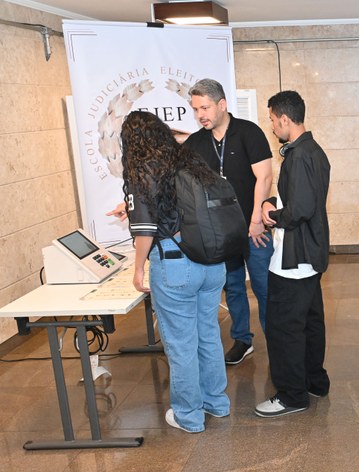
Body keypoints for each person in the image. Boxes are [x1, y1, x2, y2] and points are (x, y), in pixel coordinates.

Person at [121, 110, 229, 433]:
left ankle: (188, 416)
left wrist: (138, 269)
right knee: (207, 334)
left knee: (181, 344)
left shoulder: (142, 170)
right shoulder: (190, 161)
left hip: (175, 267)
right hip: (211, 263)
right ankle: (217, 403)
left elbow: (145, 229)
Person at [184, 79, 274, 366]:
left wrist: (257, 219)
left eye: (205, 107)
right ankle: (242, 340)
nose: (200, 115)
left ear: (222, 105)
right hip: (221, 233)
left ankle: (276, 338)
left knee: (264, 286)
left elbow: (265, 177)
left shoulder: (249, 133)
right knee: (233, 286)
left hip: (254, 227)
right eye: (196, 109)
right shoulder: (196, 142)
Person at [254, 91, 331, 418]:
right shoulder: (314, 151)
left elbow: (299, 209)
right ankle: (315, 381)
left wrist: (271, 215)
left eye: (272, 120)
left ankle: (291, 395)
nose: (271, 126)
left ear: (285, 119)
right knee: (311, 323)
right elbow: (304, 200)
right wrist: (276, 202)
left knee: (283, 328)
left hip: (293, 258)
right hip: (310, 253)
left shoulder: (297, 157)